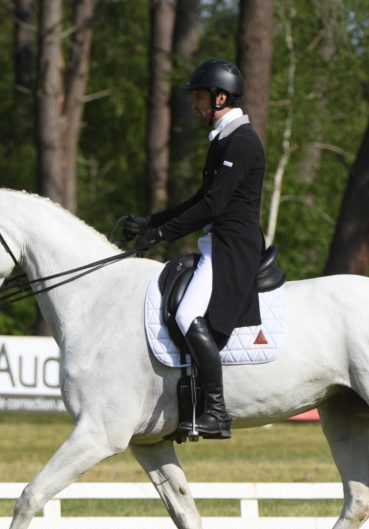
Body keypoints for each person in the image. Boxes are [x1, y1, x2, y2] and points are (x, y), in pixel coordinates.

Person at [122, 59, 266, 440]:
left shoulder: (242, 142)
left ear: (221, 97)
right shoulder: (223, 138)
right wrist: (152, 221)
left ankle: (216, 411)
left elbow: (213, 207)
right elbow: (202, 198)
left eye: (199, 96)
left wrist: (161, 234)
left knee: (187, 314)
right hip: (218, 243)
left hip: (234, 248)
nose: (194, 104)